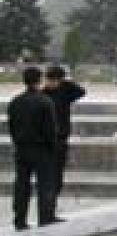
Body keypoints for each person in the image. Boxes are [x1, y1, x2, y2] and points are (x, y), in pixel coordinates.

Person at [7, 65, 59, 230]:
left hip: (22, 148)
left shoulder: (15, 102)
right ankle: (45, 217)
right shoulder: (45, 102)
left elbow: (12, 126)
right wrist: (53, 147)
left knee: (22, 184)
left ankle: (20, 219)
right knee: (45, 184)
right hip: (41, 149)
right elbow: (50, 129)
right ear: (39, 80)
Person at [41, 64, 85, 214]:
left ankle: (51, 205)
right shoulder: (43, 94)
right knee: (48, 176)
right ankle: (47, 208)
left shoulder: (65, 91)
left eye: (52, 80)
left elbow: (81, 91)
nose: (49, 82)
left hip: (60, 138)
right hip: (46, 140)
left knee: (57, 175)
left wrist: (65, 81)